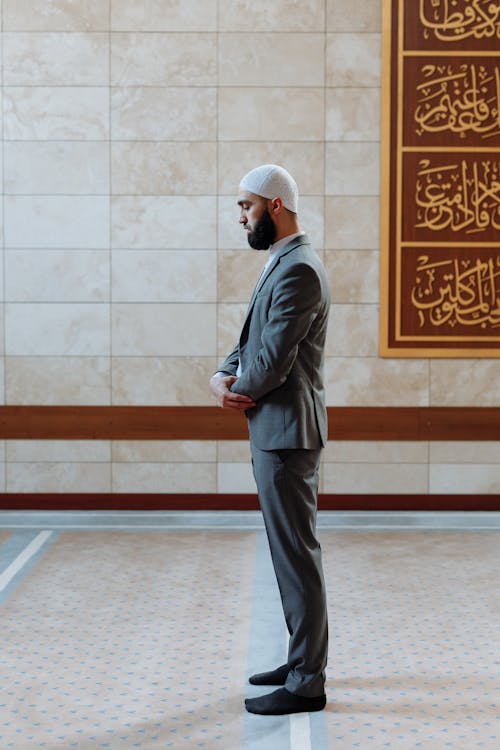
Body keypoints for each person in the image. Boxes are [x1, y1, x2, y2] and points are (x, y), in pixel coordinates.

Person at [210, 164, 330, 715]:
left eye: (246, 207)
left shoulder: (299, 269)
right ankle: (299, 658)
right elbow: (249, 338)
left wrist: (237, 389)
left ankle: (308, 682)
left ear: (275, 206)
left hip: (285, 433)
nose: (240, 217)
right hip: (273, 429)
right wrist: (222, 374)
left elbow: (273, 360)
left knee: (296, 559)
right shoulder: (281, 263)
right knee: (288, 558)